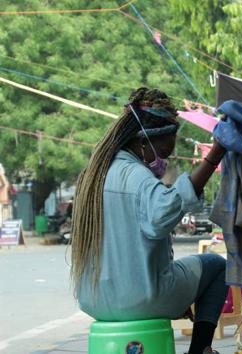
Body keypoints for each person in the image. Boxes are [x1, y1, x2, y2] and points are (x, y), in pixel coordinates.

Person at [71, 88, 228, 354]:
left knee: (181, 275)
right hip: (144, 298)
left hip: (94, 300)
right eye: (169, 144)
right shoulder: (135, 176)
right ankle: (200, 350)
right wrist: (215, 155)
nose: (170, 152)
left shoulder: (92, 176)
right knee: (215, 266)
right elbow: (163, 214)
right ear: (144, 141)